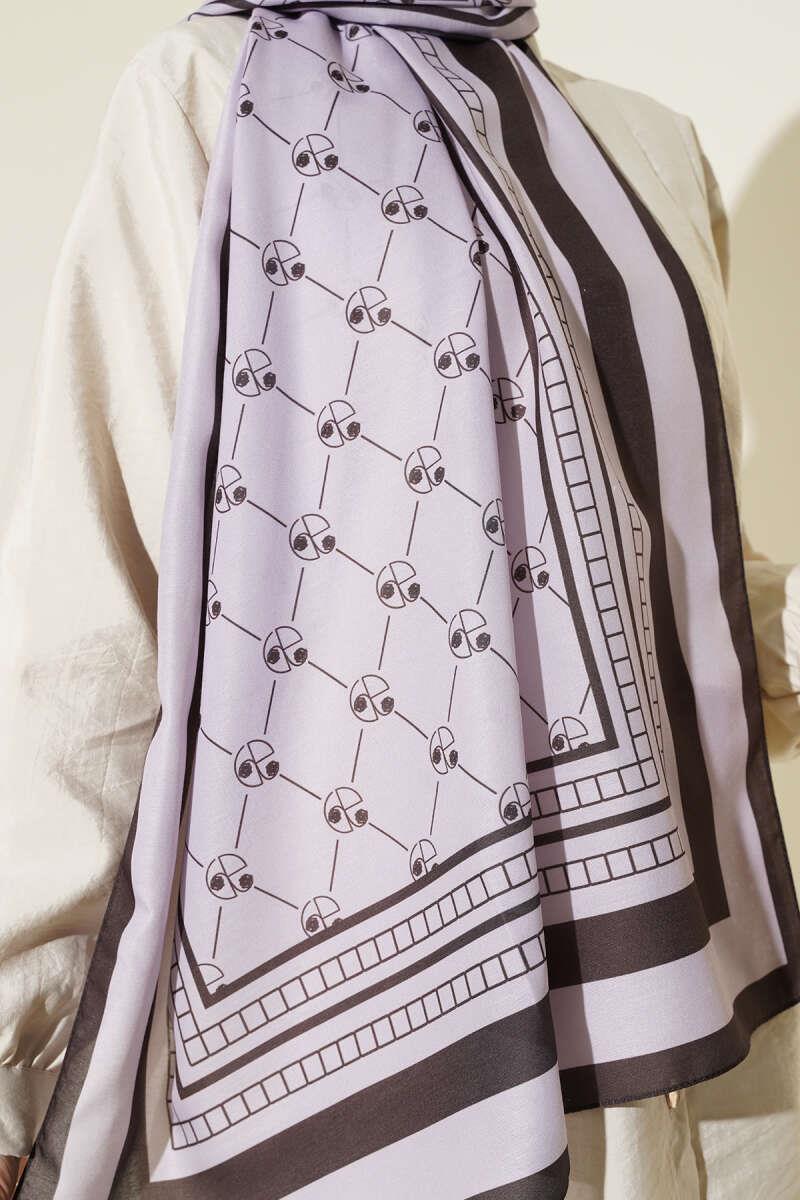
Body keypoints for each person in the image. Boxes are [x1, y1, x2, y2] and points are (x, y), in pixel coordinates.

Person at [1, 6, 799, 1198]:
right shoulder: (206, 91)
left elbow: (684, 594)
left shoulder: (648, 144)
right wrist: (14, 1048)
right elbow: (97, 604)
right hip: (325, 1009)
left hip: (650, 1018)